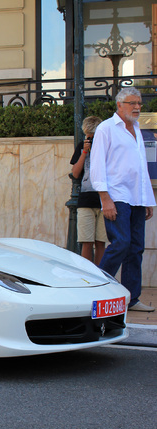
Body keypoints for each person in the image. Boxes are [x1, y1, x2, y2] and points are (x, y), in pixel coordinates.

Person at [90, 87, 156, 312]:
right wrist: (105, 199)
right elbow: (98, 164)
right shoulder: (106, 129)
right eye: (132, 103)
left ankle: (132, 299)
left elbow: (140, 167)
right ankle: (98, 289)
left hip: (136, 196)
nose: (137, 107)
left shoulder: (137, 129)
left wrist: (147, 198)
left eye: (139, 103)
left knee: (136, 248)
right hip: (116, 196)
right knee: (121, 243)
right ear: (119, 105)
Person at [70, 116, 106, 264]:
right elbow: (75, 173)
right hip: (85, 199)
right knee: (86, 241)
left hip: (104, 200)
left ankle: (101, 273)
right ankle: (88, 274)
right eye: (89, 136)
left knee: (101, 241)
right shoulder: (82, 146)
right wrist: (84, 152)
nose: (91, 139)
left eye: (93, 136)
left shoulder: (106, 147)